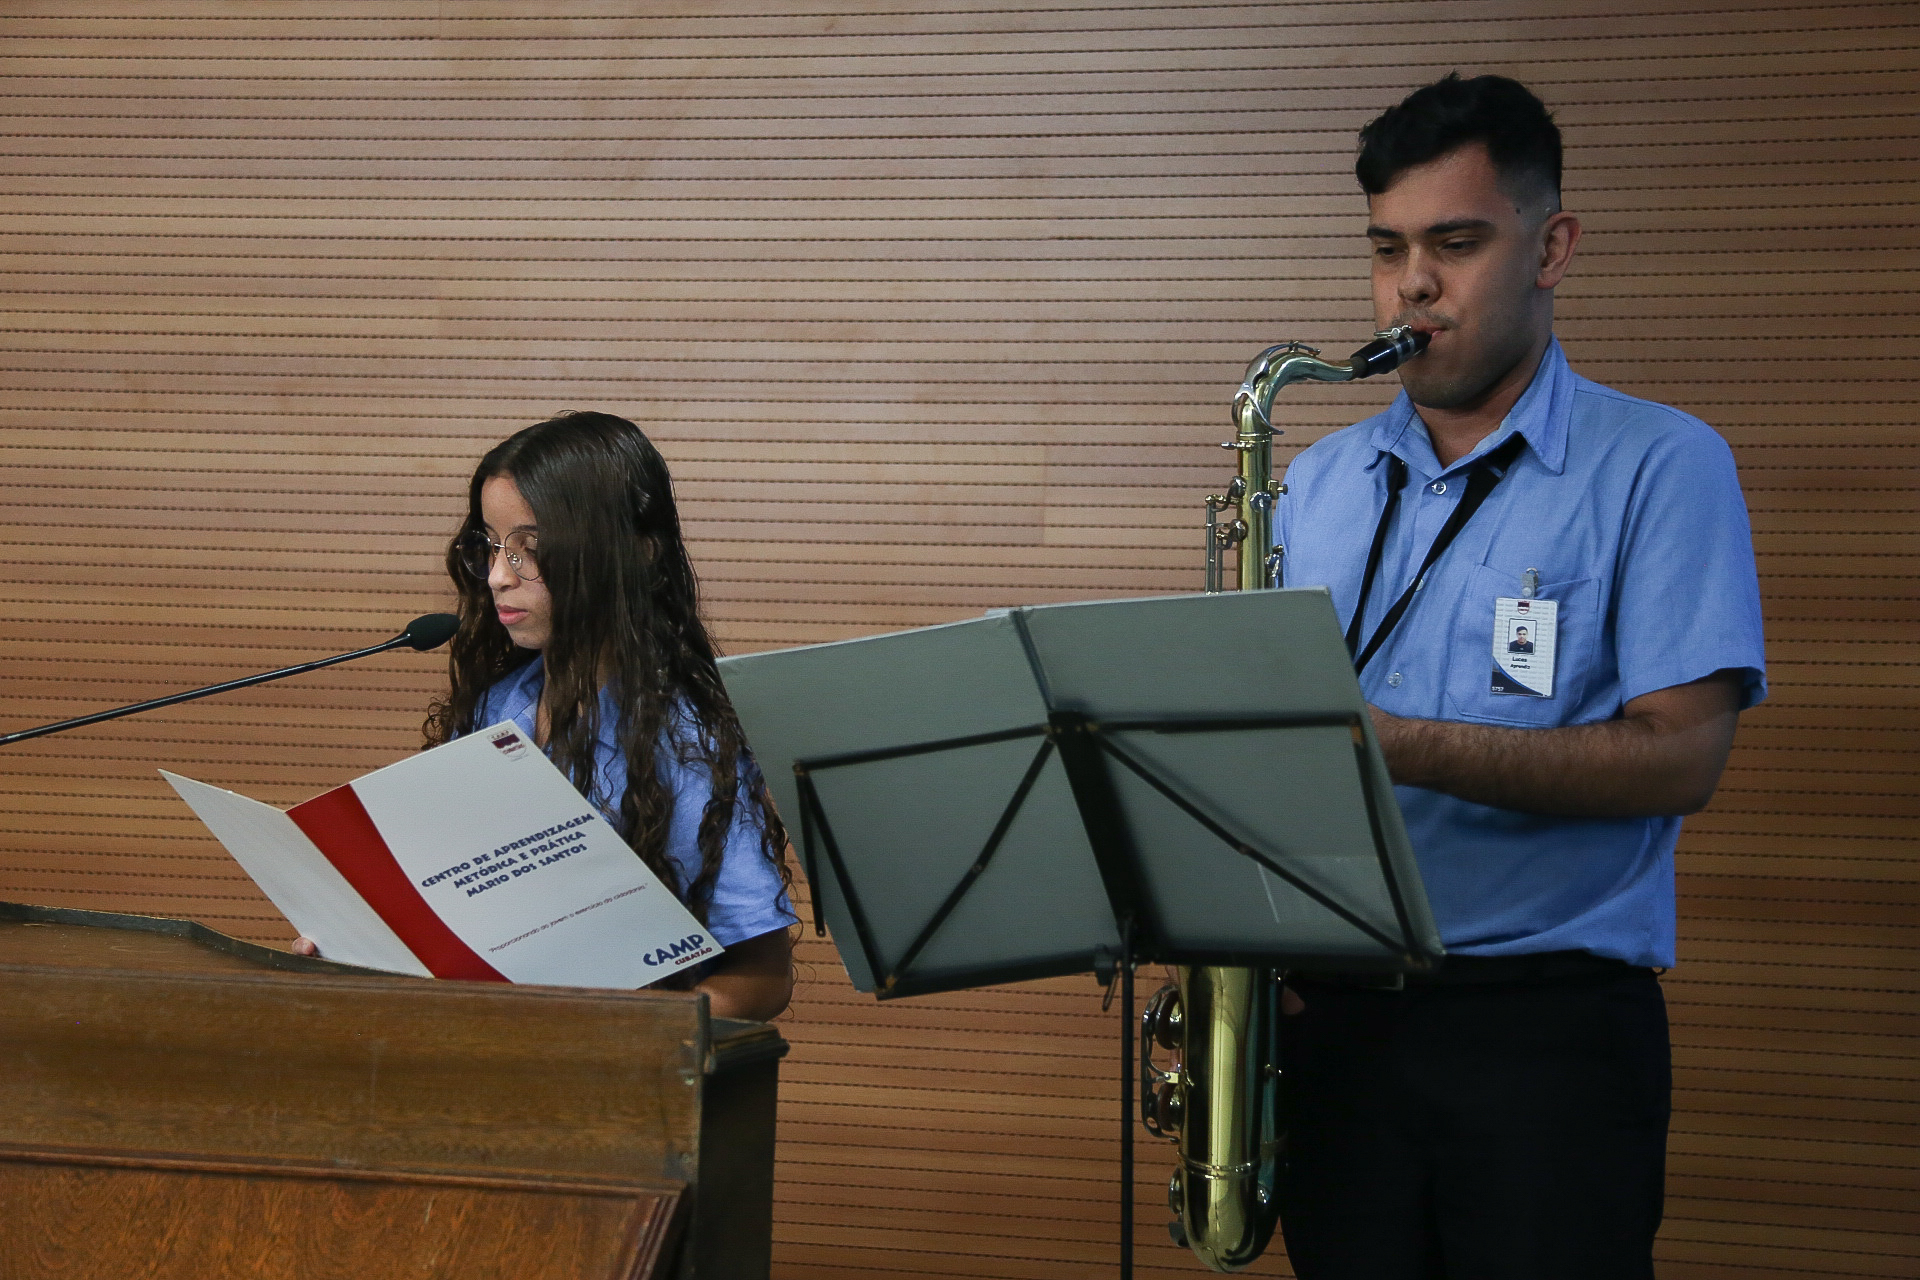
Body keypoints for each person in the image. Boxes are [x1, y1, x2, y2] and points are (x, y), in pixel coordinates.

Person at [1268, 75, 1765, 1279]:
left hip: (1550, 1038)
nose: (1412, 286)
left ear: (1553, 247)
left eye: (1457, 241)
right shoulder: (1313, 483)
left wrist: (1394, 743)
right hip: (1333, 1029)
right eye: (1387, 249)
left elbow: (1680, 758)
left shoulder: (1663, 462)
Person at [297, 411, 797, 1021]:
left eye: (529, 550)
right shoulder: (493, 708)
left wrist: (614, 1024)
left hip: (619, 1078)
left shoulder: (687, 740)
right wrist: (360, 945)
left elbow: (764, 979)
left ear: (632, 552)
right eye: (490, 546)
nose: (497, 577)